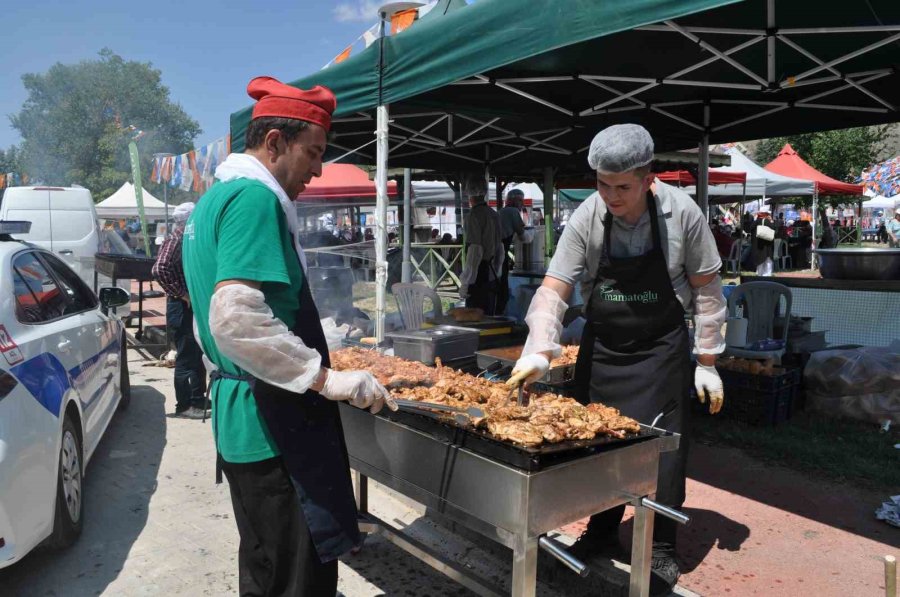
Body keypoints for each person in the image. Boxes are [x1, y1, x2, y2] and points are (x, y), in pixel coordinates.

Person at [182, 76, 396, 596]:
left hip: (241, 420)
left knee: (265, 571)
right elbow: (233, 319)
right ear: (275, 142)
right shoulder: (256, 200)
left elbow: (207, 308)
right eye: (313, 153)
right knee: (297, 579)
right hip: (272, 424)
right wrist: (325, 379)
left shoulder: (213, 200)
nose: (319, 169)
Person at [507, 123, 726, 595]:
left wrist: (707, 360)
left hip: (662, 346)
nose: (611, 195)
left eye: (622, 186)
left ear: (649, 179)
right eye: (602, 184)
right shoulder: (588, 215)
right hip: (603, 345)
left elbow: (708, 291)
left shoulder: (682, 214)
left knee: (663, 451)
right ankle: (602, 529)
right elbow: (554, 289)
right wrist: (540, 350)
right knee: (595, 444)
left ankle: (663, 548)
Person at [152, 202, 207, 419]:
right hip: (181, 306)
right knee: (186, 357)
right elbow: (159, 269)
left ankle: (197, 398)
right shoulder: (177, 238)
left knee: (196, 352)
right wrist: (182, 294)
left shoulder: (187, 238)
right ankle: (184, 405)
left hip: (188, 305)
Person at [458, 173, 504, 314]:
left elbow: (475, 251)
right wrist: (496, 270)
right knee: (488, 312)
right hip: (490, 270)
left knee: (475, 315)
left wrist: (467, 282)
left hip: (479, 272)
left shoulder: (473, 216)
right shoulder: (493, 213)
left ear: (468, 193)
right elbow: (500, 249)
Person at [498, 188, 527, 313]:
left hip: (496, 251)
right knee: (502, 283)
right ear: (514, 201)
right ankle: (501, 311)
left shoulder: (502, 211)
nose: (522, 204)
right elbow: (521, 233)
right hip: (501, 251)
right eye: (520, 200)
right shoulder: (513, 211)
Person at [750, 209, 775, 276]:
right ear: (765, 214)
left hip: (758, 245)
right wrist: (771, 221)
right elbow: (774, 229)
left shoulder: (755, 222)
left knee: (759, 260)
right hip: (766, 245)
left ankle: (759, 273)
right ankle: (767, 274)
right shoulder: (767, 221)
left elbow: (751, 229)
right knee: (767, 260)